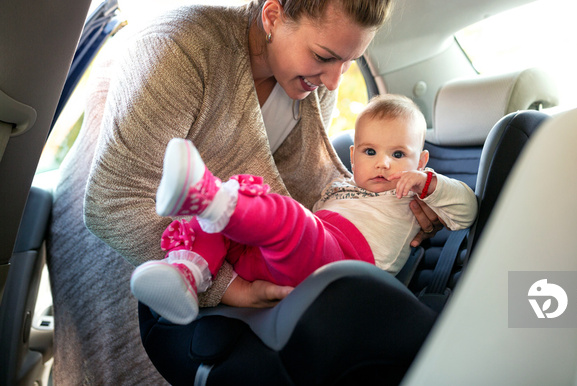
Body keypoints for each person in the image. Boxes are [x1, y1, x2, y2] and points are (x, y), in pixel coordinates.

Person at [47, 0, 429, 383]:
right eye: (325, 56)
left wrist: (389, 203)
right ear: (271, 17)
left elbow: (306, 190)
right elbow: (114, 202)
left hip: (231, 253)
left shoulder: (313, 87)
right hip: (133, 254)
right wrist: (229, 288)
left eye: (348, 63)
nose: (334, 80)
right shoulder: (181, 47)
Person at [131, 95, 478, 324]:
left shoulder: (411, 193)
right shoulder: (342, 185)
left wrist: (428, 183)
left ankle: (206, 196)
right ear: (354, 155)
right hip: (277, 260)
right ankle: (185, 275)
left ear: (422, 160)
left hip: (341, 269)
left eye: (399, 155)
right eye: (370, 152)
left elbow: (466, 210)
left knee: (291, 218)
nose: (383, 164)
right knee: (225, 215)